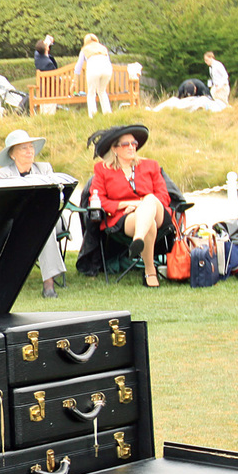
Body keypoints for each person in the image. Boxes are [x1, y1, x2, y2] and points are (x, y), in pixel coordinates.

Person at [91, 124, 169, 288]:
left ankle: (138, 239)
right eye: (126, 144)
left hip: (157, 211)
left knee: (149, 199)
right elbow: (98, 199)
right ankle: (150, 271)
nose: (131, 147)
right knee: (150, 225)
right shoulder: (103, 170)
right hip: (125, 217)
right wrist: (126, 204)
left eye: (134, 143)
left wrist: (142, 205)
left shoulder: (151, 165)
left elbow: (163, 195)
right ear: (115, 149)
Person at [0, 128, 70, 298]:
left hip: (50, 218)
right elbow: (5, 204)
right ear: (12, 155)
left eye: (31, 147)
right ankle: (48, 284)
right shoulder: (2, 175)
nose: (30, 151)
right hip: (19, 224)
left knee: (44, 224)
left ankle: (49, 283)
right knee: (40, 226)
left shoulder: (44, 168)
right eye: (24, 148)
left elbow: (53, 198)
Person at [75, 34, 113, 118]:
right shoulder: (103, 48)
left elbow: (78, 66)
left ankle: (93, 115)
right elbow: (108, 61)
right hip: (107, 69)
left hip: (94, 69)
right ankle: (108, 114)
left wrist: (74, 81)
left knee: (91, 93)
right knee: (102, 91)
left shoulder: (85, 49)